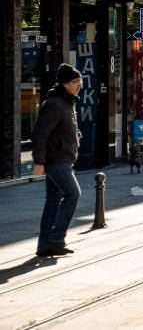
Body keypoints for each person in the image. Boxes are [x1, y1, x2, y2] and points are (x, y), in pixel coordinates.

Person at [31, 63, 83, 257]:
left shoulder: (67, 101)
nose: (78, 85)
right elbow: (40, 134)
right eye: (74, 82)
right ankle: (56, 238)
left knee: (53, 201)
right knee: (73, 194)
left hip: (64, 157)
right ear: (64, 83)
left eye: (80, 81)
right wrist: (38, 161)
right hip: (56, 160)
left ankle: (44, 245)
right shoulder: (55, 103)